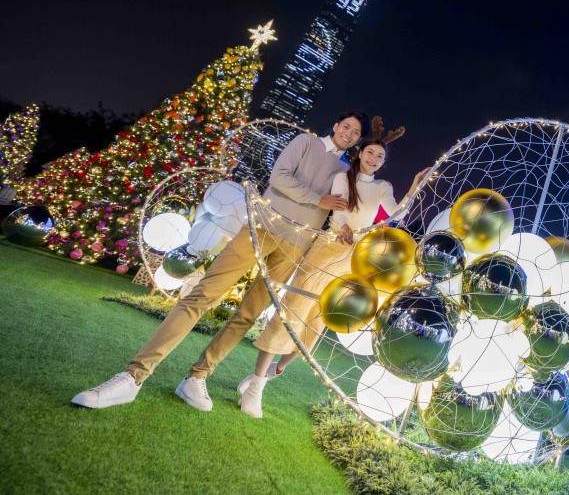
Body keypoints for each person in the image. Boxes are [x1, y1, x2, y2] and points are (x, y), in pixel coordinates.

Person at [71, 111, 371, 410]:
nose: (349, 133)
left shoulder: (345, 171)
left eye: (356, 132)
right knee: (202, 297)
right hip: (262, 228)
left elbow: (354, 206)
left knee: (247, 315)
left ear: (358, 139)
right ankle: (134, 375)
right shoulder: (306, 141)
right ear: (335, 124)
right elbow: (279, 177)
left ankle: (197, 377)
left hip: (296, 245)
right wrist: (316, 199)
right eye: (346, 126)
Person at [236, 118, 430, 417]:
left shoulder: (382, 187)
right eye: (370, 153)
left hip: (353, 259)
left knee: (318, 322)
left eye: (380, 157)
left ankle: (271, 374)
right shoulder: (343, 178)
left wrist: (415, 186)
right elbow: (338, 212)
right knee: (293, 310)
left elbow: (396, 214)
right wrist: (342, 228)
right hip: (327, 249)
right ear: (360, 153)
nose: (375, 159)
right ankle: (255, 387)